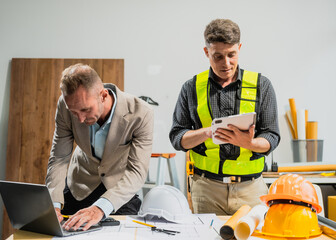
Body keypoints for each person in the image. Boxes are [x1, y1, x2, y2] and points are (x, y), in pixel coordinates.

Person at [169, 19, 280, 215]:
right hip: (206, 190)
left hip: (251, 190)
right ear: (206, 52)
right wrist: (206, 132)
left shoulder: (261, 85)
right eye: (218, 56)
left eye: (231, 55)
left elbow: (272, 136)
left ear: (240, 48)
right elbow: (178, 139)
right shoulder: (191, 88)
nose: (226, 63)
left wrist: (249, 143)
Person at [46, 63, 153, 231]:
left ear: (103, 95)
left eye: (85, 110)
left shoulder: (141, 114)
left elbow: (136, 171)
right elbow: (59, 158)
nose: (80, 119)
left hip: (119, 189)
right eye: (74, 112)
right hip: (79, 184)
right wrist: (53, 203)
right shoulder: (65, 106)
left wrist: (100, 208)